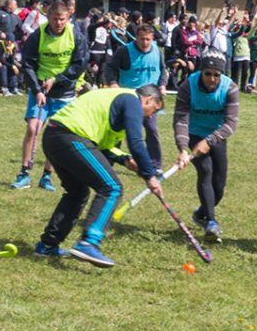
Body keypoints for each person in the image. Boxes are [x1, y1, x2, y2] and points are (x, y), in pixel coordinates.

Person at [34, 83, 165, 269]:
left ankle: (47, 245)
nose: (151, 116)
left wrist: (127, 161)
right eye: (154, 110)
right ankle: (89, 242)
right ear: (149, 99)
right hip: (71, 136)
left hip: (54, 136)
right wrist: (149, 175)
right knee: (112, 188)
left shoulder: (118, 103)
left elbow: (104, 146)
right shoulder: (132, 100)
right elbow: (136, 142)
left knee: (77, 192)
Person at [14, 1, 87, 191]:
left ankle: (47, 176)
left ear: (68, 19)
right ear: (48, 18)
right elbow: (27, 64)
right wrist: (37, 89)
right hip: (40, 89)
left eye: (62, 19)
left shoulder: (76, 35)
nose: (58, 23)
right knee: (33, 128)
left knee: (56, 135)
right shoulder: (38, 35)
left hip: (65, 92)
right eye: (54, 19)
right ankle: (24, 173)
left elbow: (79, 64)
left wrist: (57, 79)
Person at [174, 53, 240, 241]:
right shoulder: (187, 86)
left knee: (219, 186)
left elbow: (230, 124)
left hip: (217, 136)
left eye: (216, 75)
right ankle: (211, 222)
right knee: (206, 170)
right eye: (208, 74)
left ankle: (201, 213)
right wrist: (183, 148)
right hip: (194, 133)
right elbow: (181, 119)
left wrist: (209, 141)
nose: (212, 79)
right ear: (201, 72)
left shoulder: (230, 88)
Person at [106, 20, 165, 90]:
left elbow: (163, 69)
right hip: (130, 94)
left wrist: (162, 84)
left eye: (148, 39)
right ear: (136, 37)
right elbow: (110, 67)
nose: (145, 42)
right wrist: (113, 83)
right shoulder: (124, 51)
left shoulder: (157, 51)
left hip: (152, 93)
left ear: (152, 39)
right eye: (142, 39)